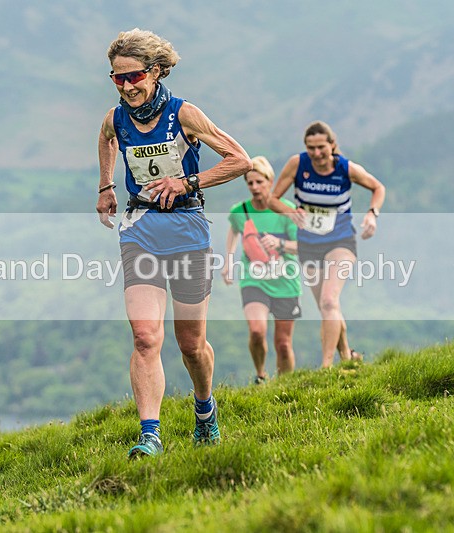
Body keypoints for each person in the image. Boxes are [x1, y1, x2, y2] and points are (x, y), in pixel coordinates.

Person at [96, 29, 251, 458]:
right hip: (141, 229)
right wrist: (106, 186)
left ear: (157, 71)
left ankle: (205, 409)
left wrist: (187, 182)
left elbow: (240, 160)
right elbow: (106, 138)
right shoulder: (115, 118)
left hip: (186, 230)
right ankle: (150, 435)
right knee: (146, 337)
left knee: (191, 344)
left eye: (134, 76)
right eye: (118, 78)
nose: (127, 86)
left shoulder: (184, 114)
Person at [269, 121, 385, 368]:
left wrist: (372, 214)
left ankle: (327, 367)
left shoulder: (346, 168)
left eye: (321, 147)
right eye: (311, 148)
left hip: (340, 242)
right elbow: (273, 199)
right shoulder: (297, 164)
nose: (316, 153)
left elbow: (378, 188)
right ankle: (347, 357)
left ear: (332, 145)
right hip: (309, 244)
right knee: (327, 306)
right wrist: (290, 212)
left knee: (329, 301)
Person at [223, 156, 301, 384]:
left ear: (271, 181)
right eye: (250, 183)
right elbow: (234, 230)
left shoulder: (287, 211)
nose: (255, 187)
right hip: (253, 280)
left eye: (260, 182)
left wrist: (280, 244)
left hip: (285, 282)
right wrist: (229, 259)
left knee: (283, 344)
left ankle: (286, 387)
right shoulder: (240, 211)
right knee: (257, 331)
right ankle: (260, 375)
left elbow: (302, 247)